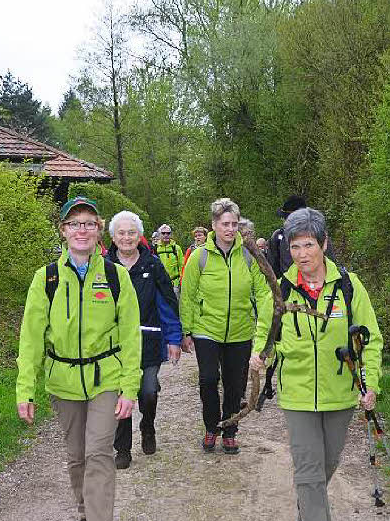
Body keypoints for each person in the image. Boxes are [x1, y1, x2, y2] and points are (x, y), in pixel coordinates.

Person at [249, 208, 383, 521]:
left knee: (327, 462)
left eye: (309, 244)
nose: (302, 254)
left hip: (341, 391)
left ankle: (307, 508)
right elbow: (267, 333)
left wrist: (371, 383)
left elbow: (370, 339)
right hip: (297, 393)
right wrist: (260, 356)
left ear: (324, 244)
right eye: (295, 246)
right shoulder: (279, 289)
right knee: (308, 467)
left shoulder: (349, 286)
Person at [16, 196, 142, 521]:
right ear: (63, 231)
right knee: (76, 457)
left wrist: (130, 388)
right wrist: (25, 389)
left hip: (106, 379)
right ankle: (85, 513)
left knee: (99, 453)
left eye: (89, 223)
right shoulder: (47, 278)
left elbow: (131, 336)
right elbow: (31, 336)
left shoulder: (116, 277)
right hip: (63, 381)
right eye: (75, 224)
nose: (82, 230)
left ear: (99, 230)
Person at [179, 198, 272, 454]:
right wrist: (186, 331)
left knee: (235, 384)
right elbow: (187, 295)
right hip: (206, 329)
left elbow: (263, 293)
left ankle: (229, 429)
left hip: (241, 330)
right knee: (209, 379)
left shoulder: (249, 256)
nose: (230, 229)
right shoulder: (199, 257)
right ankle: (211, 427)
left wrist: (264, 329)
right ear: (214, 225)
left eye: (234, 224)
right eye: (225, 224)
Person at [106, 211, 182, 469]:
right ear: (113, 237)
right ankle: (123, 448)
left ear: (139, 235)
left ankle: (148, 426)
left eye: (131, 232)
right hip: (115, 346)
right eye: (121, 233)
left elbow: (167, 304)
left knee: (148, 391)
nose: (127, 238)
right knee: (120, 394)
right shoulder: (104, 268)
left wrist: (174, 338)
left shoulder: (152, 264)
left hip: (148, 340)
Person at [266, 195, 308, 276]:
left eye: (285, 217)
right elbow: (272, 269)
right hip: (287, 286)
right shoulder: (278, 237)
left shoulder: (318, 236)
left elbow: (330, 265)